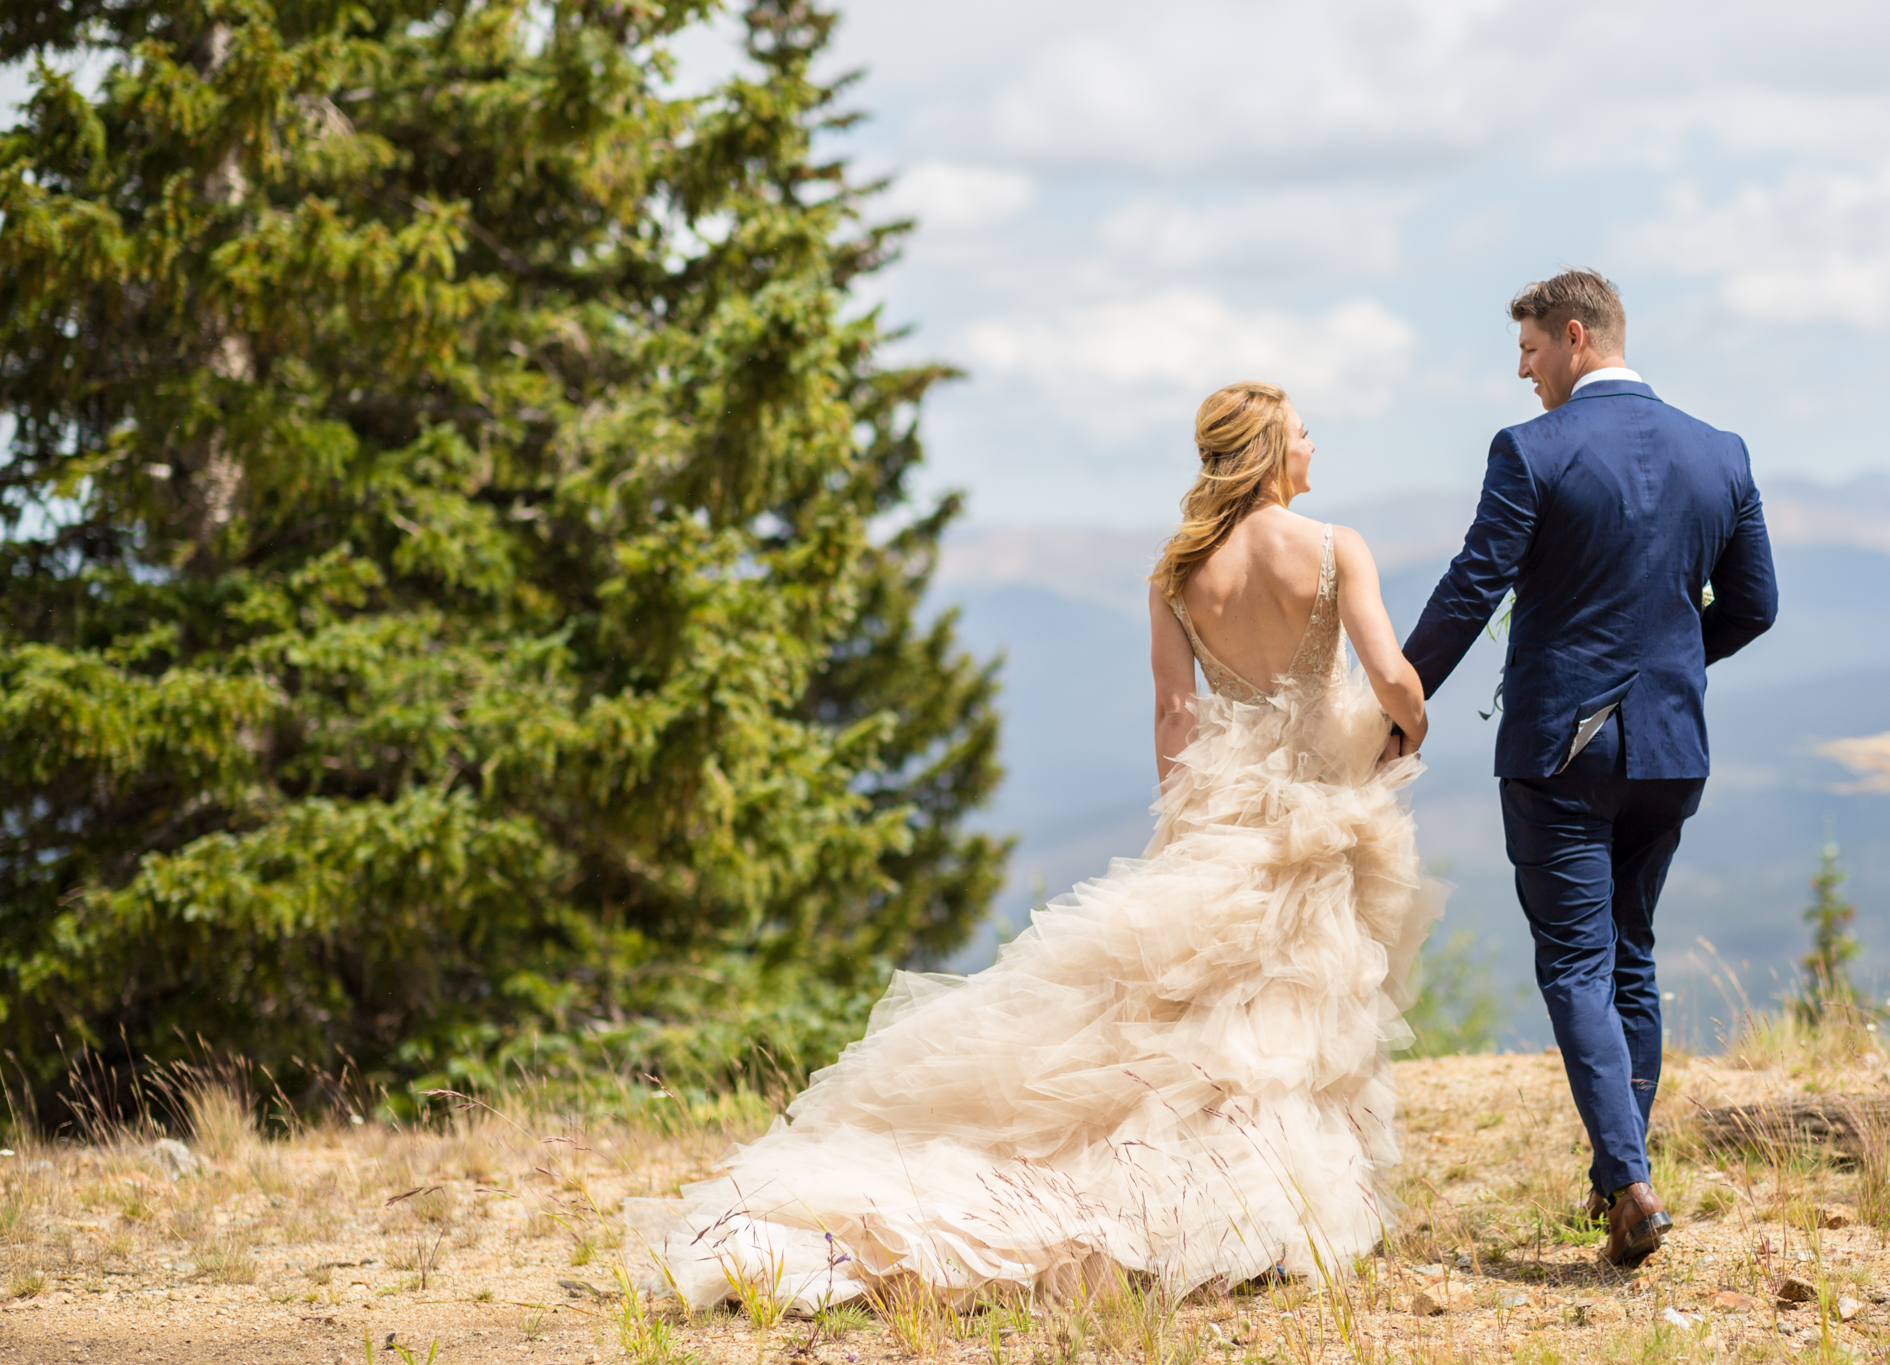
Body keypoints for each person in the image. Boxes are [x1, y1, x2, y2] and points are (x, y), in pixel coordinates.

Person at [625, 381, 1442, 1310]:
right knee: (1288, 1022)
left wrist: (1187, 824)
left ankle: (1228, 1207)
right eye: (1303, 434)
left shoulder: (1175, 576)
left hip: (1224, 808)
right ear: (1268, 451)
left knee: (1200, 1030)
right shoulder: (1335, 548)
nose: (1313, 448)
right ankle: (1267, 1211)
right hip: (1320, 805)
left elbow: (1176, 716)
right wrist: (1402, 731)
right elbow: (1391, 676)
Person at [1402, 270, 1778, 1266]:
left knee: (1575, 963)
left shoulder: (1532, 450)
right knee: (1632, 956)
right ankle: (1623, 1173)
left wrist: (1398, 700)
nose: (1521, 374)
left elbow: (1474, 581)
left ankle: (1626, 1182)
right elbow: (1752, 606)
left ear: (1575, 336)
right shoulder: (1720, 452)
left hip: (1558, 746)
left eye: (1528, 351)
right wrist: (1669, 661)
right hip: (1670, 746)